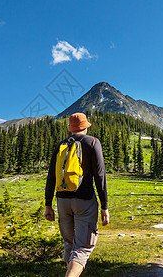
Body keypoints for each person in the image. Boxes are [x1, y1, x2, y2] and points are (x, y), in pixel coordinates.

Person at [44, 113, 109, 277]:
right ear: (86, 126)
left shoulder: (61, 145)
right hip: (84, 201)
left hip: (62, 202)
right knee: (82, 248)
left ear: (70, 129)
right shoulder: (92, 142)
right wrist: (104, 206)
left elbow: (51, 176)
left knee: (70, 244)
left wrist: (48, 205)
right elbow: (100, 176)